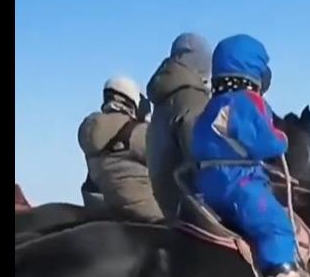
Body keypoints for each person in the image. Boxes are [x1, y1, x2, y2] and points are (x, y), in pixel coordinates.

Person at [191, 34, 310, 277]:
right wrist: (282, 140)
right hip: (240, 182)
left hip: (208, 183)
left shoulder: (211, 106)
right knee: (276, 224)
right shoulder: (248, 102)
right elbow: (264, 143)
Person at [77, 76, 163, 222]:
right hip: (145, 211)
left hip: (101, 209)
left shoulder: (88, 131)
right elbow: (168, 158)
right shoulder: (137, 132)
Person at [146, 33, 212, 219]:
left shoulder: (163, 100)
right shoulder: (192, 99)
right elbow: (203, 157)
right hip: (192, 205)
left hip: (166, 200)